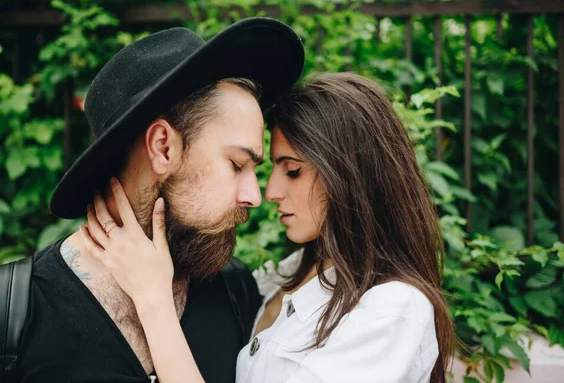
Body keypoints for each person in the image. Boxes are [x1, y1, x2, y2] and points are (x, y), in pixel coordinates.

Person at [0, 17, 304, 383]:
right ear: (162, 146)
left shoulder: (236, 291)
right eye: (237, 164)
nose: (254, 196)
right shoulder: (2, 314)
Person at [80, 72, 456, 383]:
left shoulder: (390, 311)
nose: (269, 192)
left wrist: (153, 300)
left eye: (292, 171)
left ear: (350, 176)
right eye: (269, 168)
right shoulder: (282, 277)